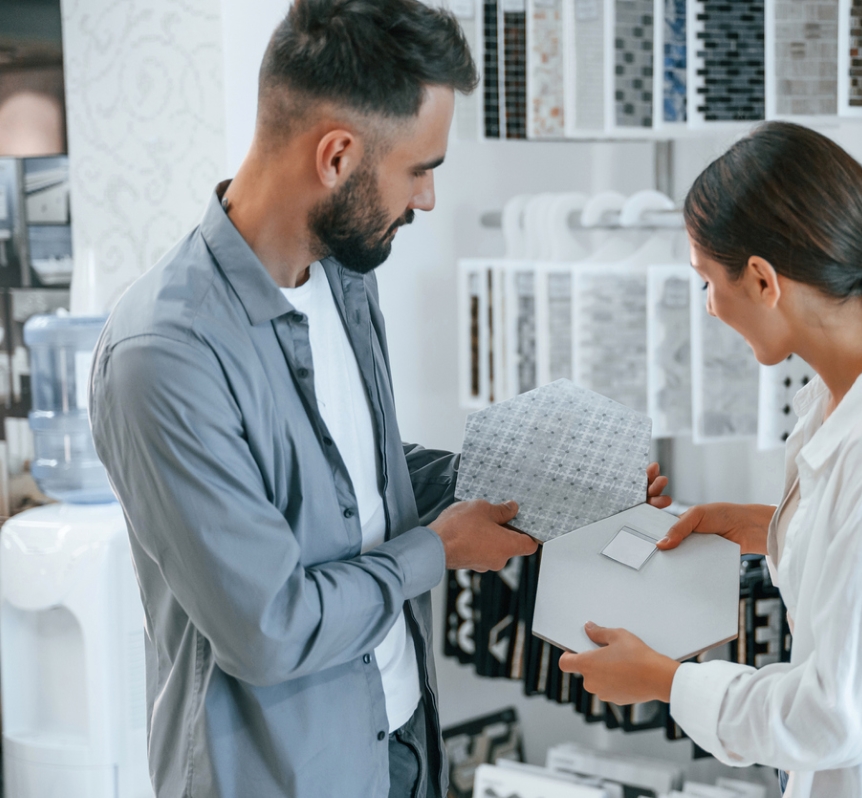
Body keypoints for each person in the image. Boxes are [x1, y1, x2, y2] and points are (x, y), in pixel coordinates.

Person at [89, 2, 669, 797]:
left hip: (400, 741)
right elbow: (270, 628)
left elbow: (357, 482)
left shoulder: (345, 279)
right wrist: (441, 550)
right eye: (420, 169)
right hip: (284, 773)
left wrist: (550, 490)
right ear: (336, 156)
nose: (427, 200)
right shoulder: (164, 356)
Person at [558, 122, 862, 797]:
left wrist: (665, 682)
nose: (711, 309)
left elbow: (838, 715)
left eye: (706, 282)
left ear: (762, 280)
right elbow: (859, 581)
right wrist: (766, 527)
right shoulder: (834, 410)